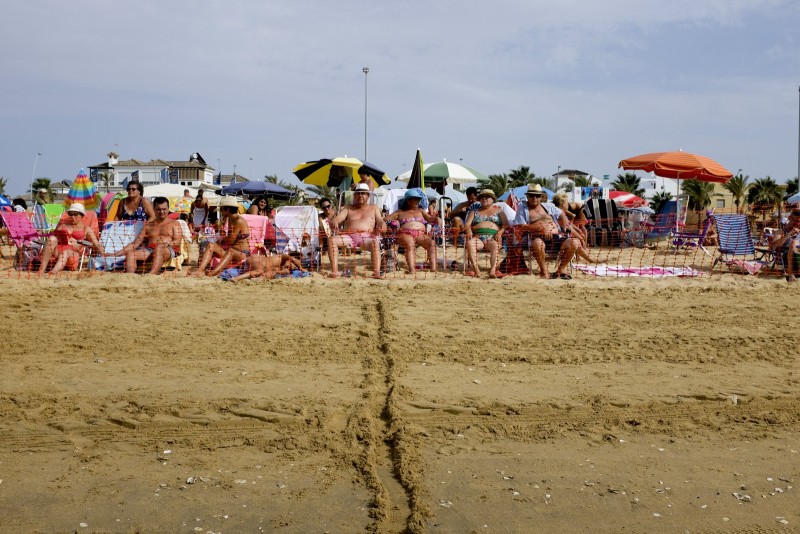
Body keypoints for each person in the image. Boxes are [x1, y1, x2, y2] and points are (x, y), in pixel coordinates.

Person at [512, 184, 578, 279]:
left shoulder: (549, 206)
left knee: (574, 242)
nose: (534, 198)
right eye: (531, 195)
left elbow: (562, 215)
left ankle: (560, 270)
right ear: (527, 196)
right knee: (538, 243)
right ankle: (544, 271)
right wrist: (540, 229)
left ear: (541, 197)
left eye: (537, 195)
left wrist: (563, 228)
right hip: (537, 237)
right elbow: (520, 226)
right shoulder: (523, 209)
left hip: (556, 237)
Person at [110, 197, 183, 274]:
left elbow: (177, 242)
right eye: (158, 209)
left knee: (159, 247)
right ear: (154, 209)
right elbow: (135, 244)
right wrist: (117, 254)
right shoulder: (148, 225)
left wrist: (165, 244)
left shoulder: (175, 224)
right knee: (131, 253)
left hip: (168, 249)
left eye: (164, 209)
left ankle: (151, 274)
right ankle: (130, 276)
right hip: (150, 250)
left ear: (168, 209)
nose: (161, 212)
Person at [328, 182, 386, 278]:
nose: (360, 195)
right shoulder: (348, 208)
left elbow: (380, 221)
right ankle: (335, 271)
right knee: (331, 240)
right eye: (358, 193)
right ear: (354, 195)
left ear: (368, 195)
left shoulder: (374, 208)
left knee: (375, 242)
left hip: (367, 237)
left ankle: (377, 272)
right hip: (349, 236)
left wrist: (382, 225)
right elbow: (339, 218)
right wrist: (335, 221)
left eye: (363, 193)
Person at [192, 196, 251, 277]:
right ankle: (199, 270)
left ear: (228, 209)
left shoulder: (239, 221)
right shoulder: (229, 218)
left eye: (222, 209)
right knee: (211, 245)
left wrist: (223, 234)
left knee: (231, 251)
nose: (221, 211)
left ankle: (213, 272)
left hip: (242, 254)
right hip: (231, 250)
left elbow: (230, 241)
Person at [37, 203, 104, 275]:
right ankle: (41, 270)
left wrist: (104, 256)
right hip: (58, 251)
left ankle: (53, 272)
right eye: (71, 214)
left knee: (66, 252)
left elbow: (96, 243)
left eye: (75, 214)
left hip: (73, 255)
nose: (72, 217)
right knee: (52, 238)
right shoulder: (63, 225)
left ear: (82, 215)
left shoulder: (86, 229)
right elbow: (54, 238)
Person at [385, 190, 440, 275]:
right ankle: (411, 269)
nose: (418, 202)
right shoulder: (399, 212)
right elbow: (385, 220)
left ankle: (433, 268)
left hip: (420, 235)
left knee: (431, 243)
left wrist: (436, 218)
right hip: (404, 234)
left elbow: (430, 218)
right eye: (416, 200)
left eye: (418, 200)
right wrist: (395, 223)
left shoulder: (421, 211)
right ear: (409, 200)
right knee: (410, 242)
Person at [464, 189, 509, 278]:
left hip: (493, 237)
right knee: (470, 243)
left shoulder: (498, 211)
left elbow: (505, 225)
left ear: (492, 199)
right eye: (482, 197)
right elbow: (467, 224)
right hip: (478, 237)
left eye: (487, 197)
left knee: (495, 245)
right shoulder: (474, 211)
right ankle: (476, 269)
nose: (484, 199)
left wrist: (499, 233)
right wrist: (468, 230)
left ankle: (493, 270)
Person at [551, 194, 595, 263]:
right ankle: (586, 259)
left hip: (556, 236)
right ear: (563, 204)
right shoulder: (559, 212)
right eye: (566, 203)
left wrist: (578, 231)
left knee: (578, 235)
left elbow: (568, 223)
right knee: (576, 239)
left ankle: (588, 259)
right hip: (557, 240)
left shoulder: (556, 210)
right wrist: (580, 237)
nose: (568, 204)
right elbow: (568, 227)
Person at [229, 253, 307, 282]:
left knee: (261, 272)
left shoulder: (285, 270)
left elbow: (273, 273)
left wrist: (279, 272)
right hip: (256, 259)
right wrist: (301, 268)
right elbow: (293, 259)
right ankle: (236, 279)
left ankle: (254, 279)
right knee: (259, 271)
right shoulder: (282, 257)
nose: (293, 267)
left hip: (255, 265)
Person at [771, 208, 800, 282]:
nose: (797, 223)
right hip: (785, 256)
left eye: (799, 221)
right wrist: (789, 234)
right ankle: (790, 274)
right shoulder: (780, 231)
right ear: (789, 218)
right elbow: (774, 246)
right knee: (794, 243)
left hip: (798, 255)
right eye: (795, 221)